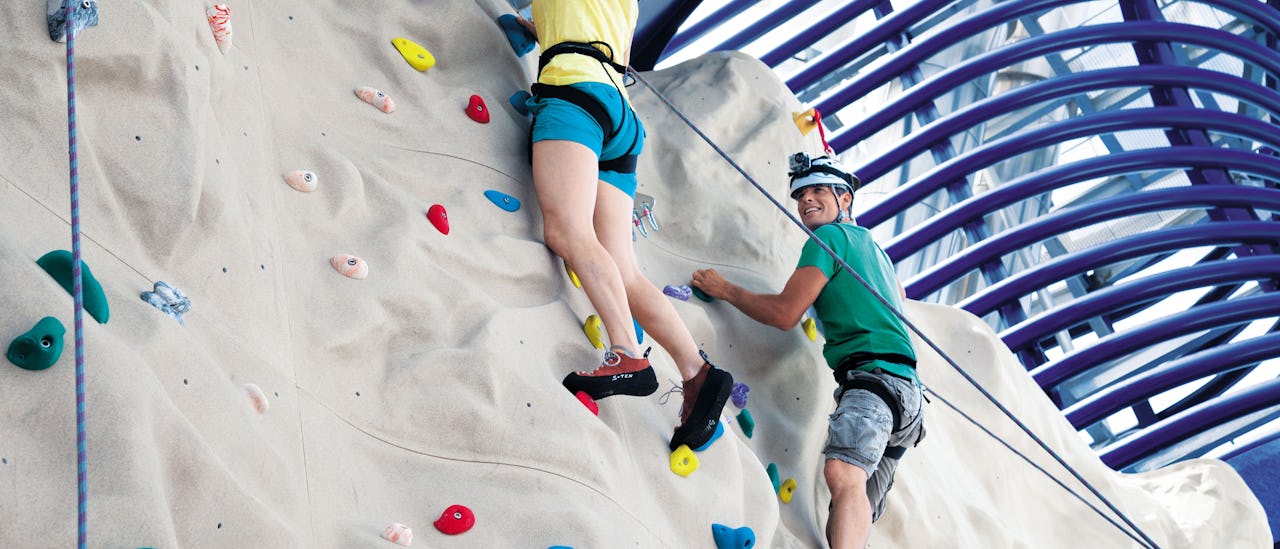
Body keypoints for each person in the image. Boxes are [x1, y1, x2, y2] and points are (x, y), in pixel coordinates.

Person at [520, 0, 733, 450]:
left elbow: (546, 25)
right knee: (624, 267)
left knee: (567, 231)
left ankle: (628, 354)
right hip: (621, 116)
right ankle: (696, 371)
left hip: (575, 93)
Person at [690, 153, 925, 548]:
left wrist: (726, 289)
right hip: (909, 400)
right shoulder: (877, 251)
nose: (806, 200)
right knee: (850, 510)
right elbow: (897, 297)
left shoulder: (829, 239)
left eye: (818, 190)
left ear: (845, 199)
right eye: (800, 195)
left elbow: (785, 313)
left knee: (843, 475)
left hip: (874, 382)